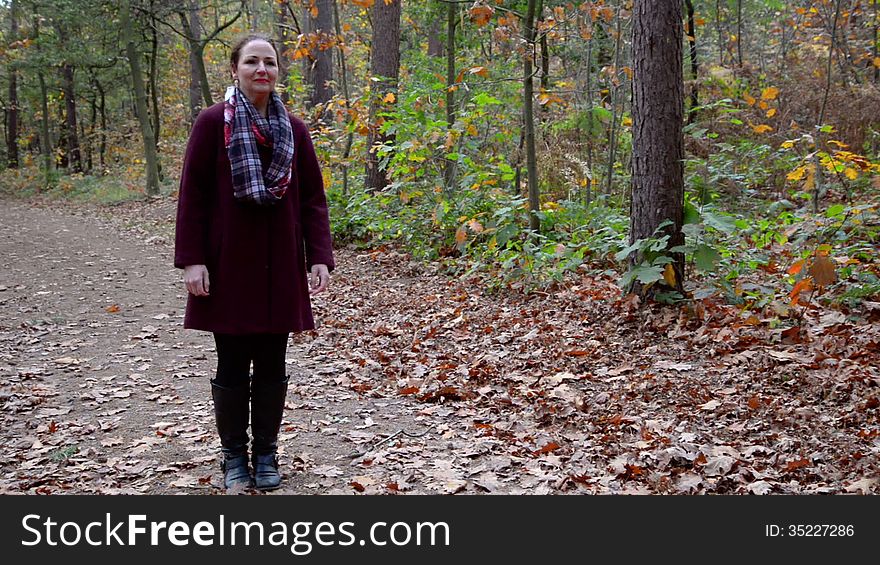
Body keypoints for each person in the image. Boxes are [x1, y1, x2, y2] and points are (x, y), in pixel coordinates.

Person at [174, 33, 334, 491]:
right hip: (229, 264)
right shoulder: (211, 123)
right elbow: (194, 197)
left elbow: (312, 200)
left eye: (269, 62)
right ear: (235, 69)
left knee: (272, 361)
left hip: (281, 263)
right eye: (252, 62)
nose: (261, 69)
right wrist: (192, 260)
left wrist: (319, 255)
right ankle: (233, 459)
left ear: (278, 70)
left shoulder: (295, 129)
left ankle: (266, 453)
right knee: (231, 362)